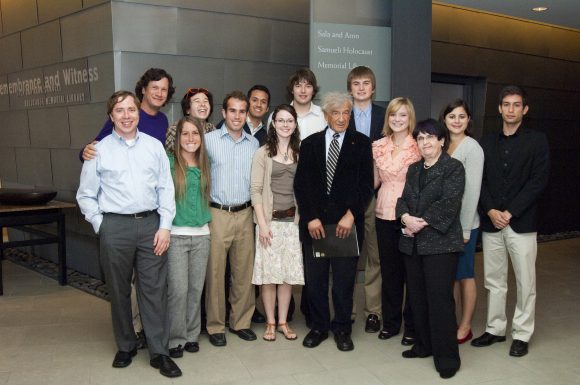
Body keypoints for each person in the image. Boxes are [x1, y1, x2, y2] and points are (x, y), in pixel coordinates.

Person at [76, 91, 181, 378]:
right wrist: (102, 225)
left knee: (154, 290)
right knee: (120, 291)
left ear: (138, 112)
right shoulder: (98, 150)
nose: (126, 115)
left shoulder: (154, 147)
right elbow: (85, 195)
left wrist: (164, 226)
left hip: (151, 225)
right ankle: (126, 345)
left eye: (131, 109)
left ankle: (160, 352)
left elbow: (165, 189)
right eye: (119, 110)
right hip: (115, 227)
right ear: (111, 116)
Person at [471, 86, 550, 357]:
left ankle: (522, 333)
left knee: (526, 282)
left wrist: (511, 211)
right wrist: (491, 209)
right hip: (492, 222)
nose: (511, 109)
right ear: (499, 108)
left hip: (522, 223)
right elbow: (478, 180)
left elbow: (538, 181)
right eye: (506, 104)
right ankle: (495, 328)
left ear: (524, 109)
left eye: (517, 105)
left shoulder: (537, 141)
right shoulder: (486, 142)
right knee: (494, 280)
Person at [294, 92, 373, 352]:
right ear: (326, 115)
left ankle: (342, 328)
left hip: (345, 226)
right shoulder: (310, 144)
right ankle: (319, 327)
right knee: (315, 282)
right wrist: (311, 217)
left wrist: (352, 215)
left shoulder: (361, 143)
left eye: (346, 113)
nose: (342, 118)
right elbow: (301, 185)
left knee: (343, 282)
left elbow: (365, 186)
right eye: (336, 113)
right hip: (316, 225)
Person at [396, 118, 465, 379]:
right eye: (421, 138)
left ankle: (447, 357)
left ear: (441, 141)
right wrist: (405, 218)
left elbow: (449, 204)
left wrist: (419, 222)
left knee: (440, 301)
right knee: (417, 299)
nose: (425, 142)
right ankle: (424, 345)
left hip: (440, 245)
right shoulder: (414, 169)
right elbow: (402, 200)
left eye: (430, 137)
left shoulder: (453, 168)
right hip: (412, 244)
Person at [204, 91, 260, 347]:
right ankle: (216, 325)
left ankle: (241, 322)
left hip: (246, 212)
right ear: (223, 113)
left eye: (242, 111)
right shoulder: (208, 141)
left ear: (246, 114)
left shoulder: (253, 145)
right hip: (217, 213)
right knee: (215, 271)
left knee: (243, 270)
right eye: (232, 111)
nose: (237, 116)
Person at [251, 104, 304, 341]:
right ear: (273, 123)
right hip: (268, 223)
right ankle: (270, 323)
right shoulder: (263, 153)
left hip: (292, 223)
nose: (285, 124)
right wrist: (262, 224)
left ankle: (283, 322)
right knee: (268, 277)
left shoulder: (301, 152)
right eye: (280, 120)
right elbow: (256, 190)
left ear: (295, 124)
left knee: (286, 277)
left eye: (289, 120)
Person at [372, 97, 420, 344]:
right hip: (384, 215)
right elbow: (373, 182)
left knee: (411, 273)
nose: (397, 119)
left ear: (410, 117)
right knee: (390, 273)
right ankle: (391, 323)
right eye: (393, 115)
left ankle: (412, 326)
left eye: (402, 115)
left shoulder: (419, 146)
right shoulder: (378, 146)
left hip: (410, 216)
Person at [166, 116, 212, 358]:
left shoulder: (206, 163)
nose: (191, 138)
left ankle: (192, 335)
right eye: (185, 134)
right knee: (178, 290)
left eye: (195, 133)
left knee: (196, 289)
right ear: (178, 138)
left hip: (202, 236)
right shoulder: (169, 162)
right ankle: (176, 338)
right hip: (176, 236)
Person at [440, 99, 484, 344]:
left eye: (461, 116)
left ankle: (465, 325)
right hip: (443, 225)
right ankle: (451, 320)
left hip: (464, 225)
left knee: (465, 274)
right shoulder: (442, 144)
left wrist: (465, 228)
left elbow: (473, 191)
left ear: (468, 120)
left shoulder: (472, 148)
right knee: (449, 276)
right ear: (444, 119)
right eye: (452, 116)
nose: (456, 121)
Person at [346, 66, 385, 333]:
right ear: (350, 88)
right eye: (356, 83)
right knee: (347, 254)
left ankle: (373, 312)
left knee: (374, 255)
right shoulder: (341, 114)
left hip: (377, 195)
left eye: (366, 83)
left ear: (373, 88)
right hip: (347, 197)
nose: (361, 88)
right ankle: (346, 309)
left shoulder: (385, 116)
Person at [80, 68, 174, 161]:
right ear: (143, 90)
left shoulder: (163, 119)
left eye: (164, 89)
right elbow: (96, 146)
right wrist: (85, 151)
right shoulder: (127, 117)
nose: (159, 93)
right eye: (155, 88)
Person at [268, 68, 326, 140]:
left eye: (308, 86)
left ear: (313, 90)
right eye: (298, 86)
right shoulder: (276, 116)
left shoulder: (324, 116)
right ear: (292, 89)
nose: (303, 91)